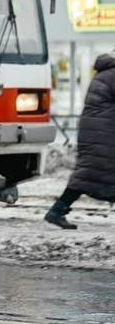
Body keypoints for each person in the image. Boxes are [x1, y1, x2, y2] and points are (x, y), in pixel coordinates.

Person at [45, 52, 115, 229]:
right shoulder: (112, 74)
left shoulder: (106, 72)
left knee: (89, 175)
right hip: (102, 134)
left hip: (98, 133)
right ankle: (56, 211)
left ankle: (57, 210)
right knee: (89, 174)